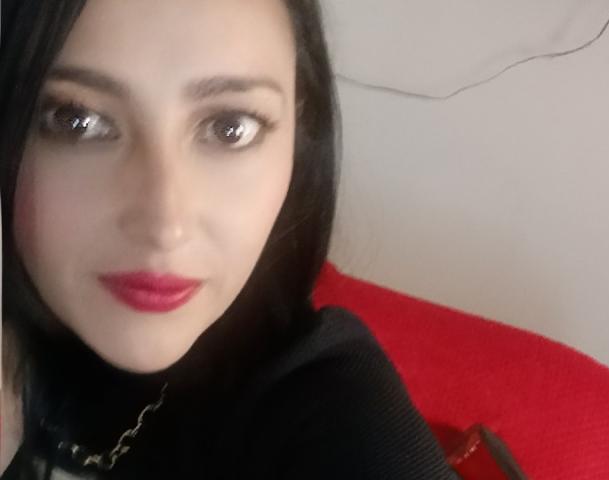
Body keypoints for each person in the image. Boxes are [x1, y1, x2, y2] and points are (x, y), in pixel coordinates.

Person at [0, 1, 460, 479]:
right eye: (74, 119)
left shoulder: (328, 407)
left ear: (299, 137)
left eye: (229, 128)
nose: (165, 225)